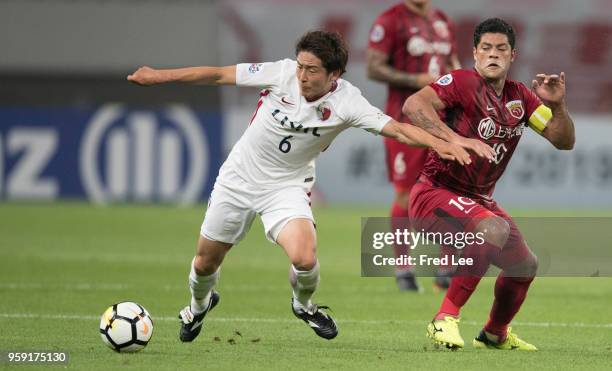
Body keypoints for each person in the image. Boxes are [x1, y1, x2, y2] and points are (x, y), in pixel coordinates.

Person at [127, 30, 492, 342]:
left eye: (312, 70)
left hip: (286, 186)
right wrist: (160, 76)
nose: (302, 75)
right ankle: (197, 307)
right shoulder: (280, 74)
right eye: (300, 66)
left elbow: (396, 128)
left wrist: (443, 143)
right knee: (206, 262)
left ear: (334, 74)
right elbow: (218, 75)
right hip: (238, 178)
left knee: (304, 257)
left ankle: (303, 306)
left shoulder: (347, 101)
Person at [404, 18, 575, 350]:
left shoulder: (520, 98)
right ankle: (444, 320)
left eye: (501, 49)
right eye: (486, 48)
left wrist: (557, 107)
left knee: (525, 265)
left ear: (513, 55)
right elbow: (414, 106)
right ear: (475, 53)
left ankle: (495, 333)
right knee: (493, 230)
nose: (493, 55)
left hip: (479, 201)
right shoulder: (461, 82)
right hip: (434, 194)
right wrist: (455, 139)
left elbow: (562, 140)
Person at [367, 0, 461, 291]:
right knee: (406, 195)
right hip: (404, 123)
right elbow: (373, 67)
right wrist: (415, 79)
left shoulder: (442, 19)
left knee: (449, 192)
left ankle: (446, 269)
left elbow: (453, 65)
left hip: (444, 121)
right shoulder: (390, 20)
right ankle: (403, 270)